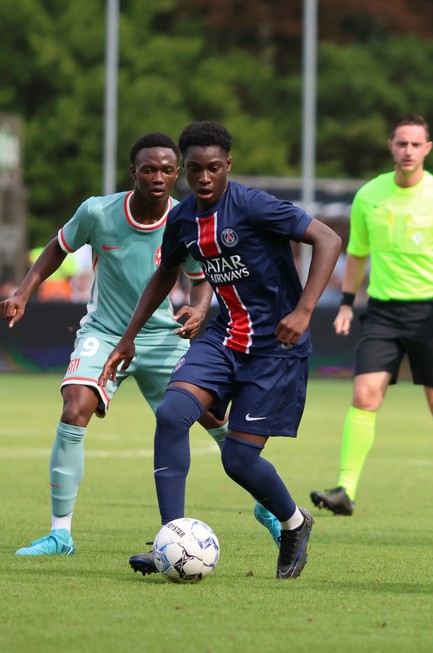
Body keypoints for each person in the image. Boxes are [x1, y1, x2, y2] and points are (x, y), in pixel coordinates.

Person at [1, 132, 275, 557]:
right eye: (149, 169)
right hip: (105, 334)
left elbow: (202, 279)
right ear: (133, 173)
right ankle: (60, 534)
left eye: (168, 169)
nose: (159, 177)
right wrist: (22, 292)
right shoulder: (98, 211)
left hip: (163, 338)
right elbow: (57, 248)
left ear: (177, 173)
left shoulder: (186, 219)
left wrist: (201, 310)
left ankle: (268, 506)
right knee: (75, 407)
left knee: (213, 417)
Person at [99, 120, 342, 579]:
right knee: (172, 414)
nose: (204, 178)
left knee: (237, 460)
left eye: (214, 168)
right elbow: (165, 274)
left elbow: (328, 239)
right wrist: (127, 336)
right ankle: (170, 540)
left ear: (228, 165)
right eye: (195, 170)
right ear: (185, 172)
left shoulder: (253, 205)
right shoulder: (183, 217)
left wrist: (305, 310)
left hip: (275, 348)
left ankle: (294, 523)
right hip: (225, 337)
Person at [310, 113, 433, 520]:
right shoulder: (369, 196)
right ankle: (345, 490)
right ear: (391, 146)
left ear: (427, 149)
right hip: (383, 312)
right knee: (364, 395)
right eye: (401, 143)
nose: (407, 151)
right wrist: (347, 302)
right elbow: (357, 255)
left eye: (415, 144)